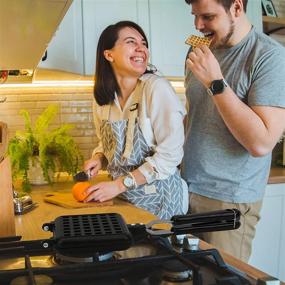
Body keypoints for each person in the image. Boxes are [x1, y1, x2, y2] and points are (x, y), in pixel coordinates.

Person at [182, 0, 285, 262]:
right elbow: (196, 116)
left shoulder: (269, 56)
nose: (197, 25)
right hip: (185, 190)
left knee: (221, 279)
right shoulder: (200, 49)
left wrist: (215, 82)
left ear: (236, 8)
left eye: (207, 16)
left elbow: (261, 143)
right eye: (195, 16)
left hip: (228, 201)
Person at [84, 21, 188, 219]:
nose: (141, 48)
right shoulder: (102, 99)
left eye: (144, 43)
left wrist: (119, 185)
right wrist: (99, 158)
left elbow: (170, 155)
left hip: (162, 202)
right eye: (131, 42)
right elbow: (108, 144)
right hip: (124, 200)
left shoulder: (156, 88)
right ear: (109, 54)